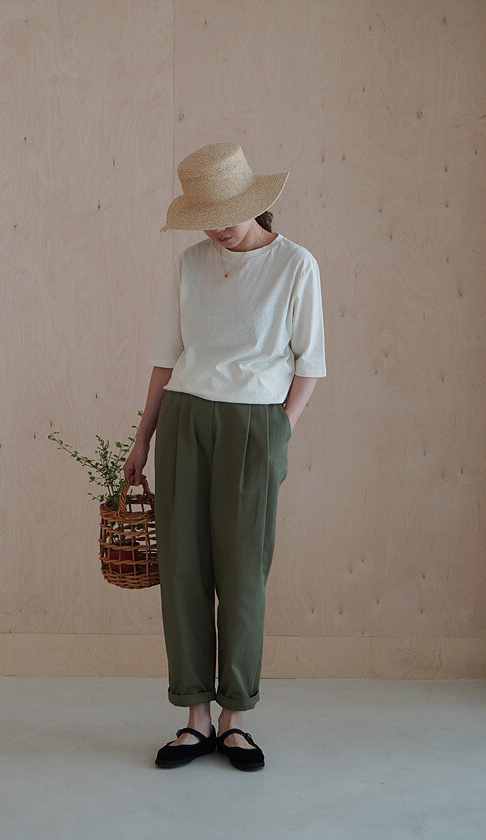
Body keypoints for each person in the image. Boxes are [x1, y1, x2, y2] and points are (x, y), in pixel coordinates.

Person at [124, 143, 327, 771]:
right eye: (205, 217)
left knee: (242, 576)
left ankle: (236, 718)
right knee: (184, 572)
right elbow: (165, 359)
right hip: (184, 421)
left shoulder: (295, 265)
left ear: (255, 202)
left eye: (226, 214)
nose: (216, 227)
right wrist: (142, 440)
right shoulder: (190, 264)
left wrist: (279, 434)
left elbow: (310, 365)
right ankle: (196, 719)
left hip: (254, 428)